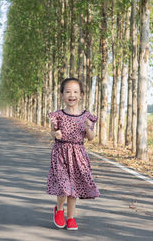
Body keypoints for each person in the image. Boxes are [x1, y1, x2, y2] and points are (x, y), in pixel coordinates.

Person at [47, 77, 100, 231]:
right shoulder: (58, 115)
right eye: (68, 91)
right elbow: (52, 131)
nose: (72, 95)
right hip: (61, 153)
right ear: (62, 94)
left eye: (75, 92)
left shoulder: (86, 116)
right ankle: (59, 209)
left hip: (78, 154)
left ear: (81, 94)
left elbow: (90, 138)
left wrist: (89, 128)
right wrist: (54, 133)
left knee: (73, 188)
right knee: (64, 185)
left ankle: (70, 217)